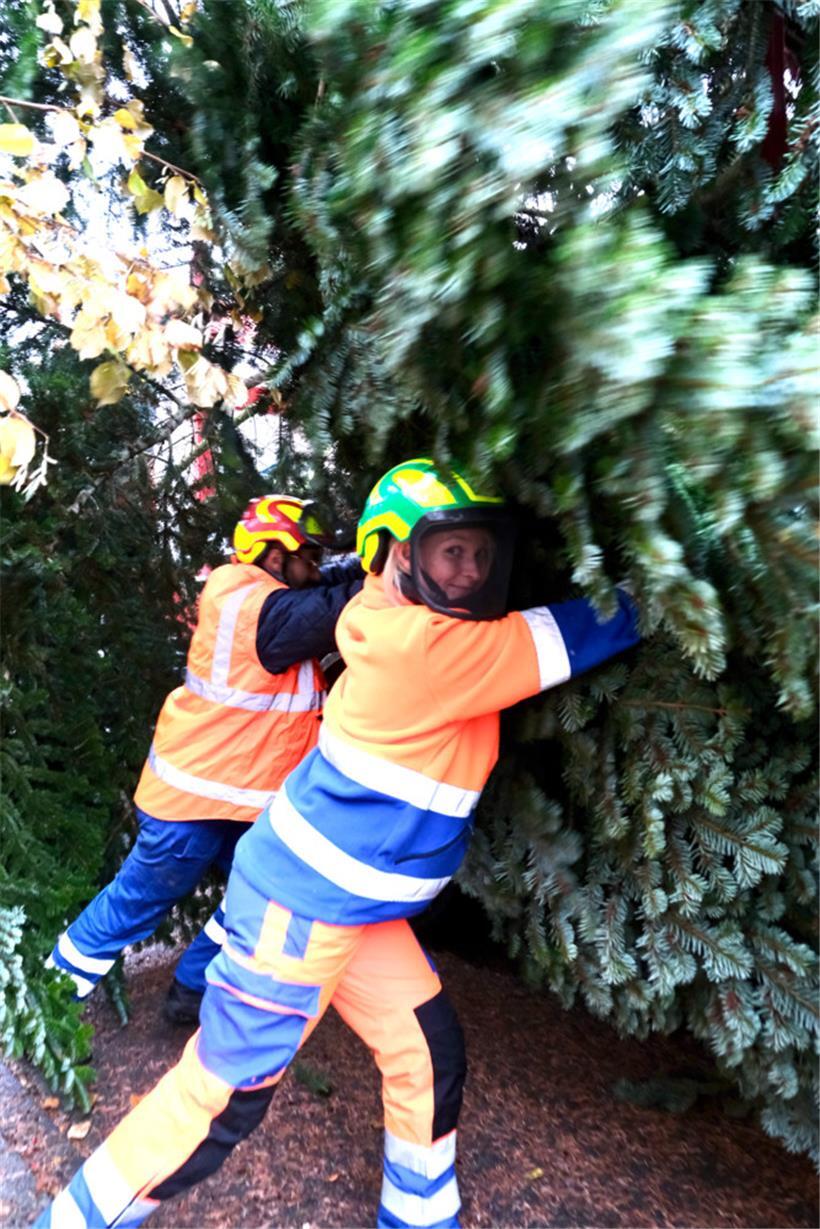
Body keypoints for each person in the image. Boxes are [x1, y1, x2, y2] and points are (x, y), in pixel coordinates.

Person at [36, 458, 640, 1229]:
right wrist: (654, 598)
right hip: (303, 906)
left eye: (481, 551)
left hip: (352, 902)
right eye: (448, 550)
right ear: (394, 551)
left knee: (426, 1050)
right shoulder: (429, 647)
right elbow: (568, 633)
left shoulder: (401, 618)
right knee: (219, 1100)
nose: (470, 569)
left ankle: (418, 1218)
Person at [46, 494, 363, 1025]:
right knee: (134, 907)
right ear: (271, 555)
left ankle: (193, 990)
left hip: (237, 801)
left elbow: (331, 582)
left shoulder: (269, 594)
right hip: (191, 803)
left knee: (260, 894)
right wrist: (400, 575)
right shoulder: (258, 605)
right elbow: (339, 605)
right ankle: (48, 1010)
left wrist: (374, 561)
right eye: (305, 555)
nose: (315, 565)